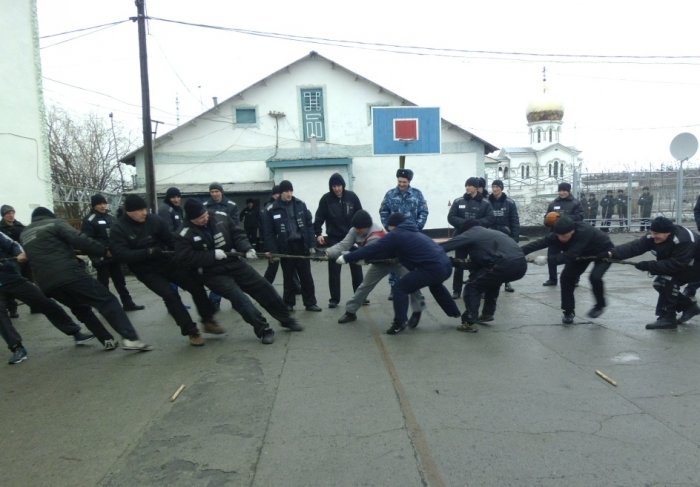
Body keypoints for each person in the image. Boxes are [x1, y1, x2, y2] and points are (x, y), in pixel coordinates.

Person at [20, 207, 152, 351]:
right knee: (107, 301)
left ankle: (106, 339)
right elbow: (79, 239)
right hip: (70, 274)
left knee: (80, 308)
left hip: (46, 284)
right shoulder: (55, 223)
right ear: (49, 216)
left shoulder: (24, 234)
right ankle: (130, 338)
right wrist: (104, 251)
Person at [174, 199, 303, 343]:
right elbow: (184, 258)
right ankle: (263, 329)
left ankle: (286, 319)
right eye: (200, 219)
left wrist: (246, 248)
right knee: (239, 298)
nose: (205, 219)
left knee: (263, 286)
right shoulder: (183, 233)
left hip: (234, 263)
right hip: (212, 273)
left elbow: (237, 234)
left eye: (205, 215)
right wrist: (211, 255)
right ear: (191, 220)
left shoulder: (220, 216)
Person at [110, 194, 218, 347]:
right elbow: (120, 254)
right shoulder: (119, 228)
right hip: (146, 271)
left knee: (195, 284)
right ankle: (191, 330)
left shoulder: (154, 220)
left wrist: (186, 250)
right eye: (139, 210)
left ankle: (208, 320)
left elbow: (170, 239)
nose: (144, 213)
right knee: (170, 295)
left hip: (168, 262)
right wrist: (147, 253)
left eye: (144, 208)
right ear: (129, 211)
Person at [338, 212, 461, 335]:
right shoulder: (414, 232)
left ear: (392, 226)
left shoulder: (396, 235)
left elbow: (372, 248)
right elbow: (390, 251)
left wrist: (347, 258)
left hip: (432, 269)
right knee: (435, 285)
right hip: (446, 265)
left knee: (400, 288)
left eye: (389, 226)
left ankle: (400, 322)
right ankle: (453, 311)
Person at [0, 231, 94, 364]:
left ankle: (75, 332)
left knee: (43, 301)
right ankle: (17, 348)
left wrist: (19, 253)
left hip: (8, 276)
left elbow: (13, 245)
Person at [326, 210, 426, 325]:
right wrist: (329, 252)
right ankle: (350, 312)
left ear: (367, 226)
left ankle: (418, 310)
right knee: (364, 286)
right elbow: (344, 244)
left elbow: (366, 254)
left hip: (397, 260)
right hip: (379, 263)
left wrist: (347, 257)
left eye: (360, 229)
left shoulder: (376, 235)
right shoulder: (355, 229)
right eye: (355, 228)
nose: (357, 231)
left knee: (412, 283)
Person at [605, 217, 700, 330]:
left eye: (656, 234)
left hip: (695, 266)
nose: (653, 236)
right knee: (659, 283)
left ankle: (668, 318)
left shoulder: (684, 240)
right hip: (684, 264)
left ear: (668, 232)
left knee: (667, 280)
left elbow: (676, 264)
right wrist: (611, 253)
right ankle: (689, 307)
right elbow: (635, 247)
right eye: (652, 233)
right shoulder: (654, 235)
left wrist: (648, 265)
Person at [440, 219, 527, 332]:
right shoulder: (491, 234)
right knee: (492, 282)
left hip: (503, 265)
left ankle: (470, 322)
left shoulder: (472, 233)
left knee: (472, 287)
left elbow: (447, 245)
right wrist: (451, 261)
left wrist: (427, 252)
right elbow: (476, 264)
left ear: (465, 231)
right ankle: (487, 313)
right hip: (520, 265)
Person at [523, 216, 614, 323]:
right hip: (581, 254)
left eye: (564, 236)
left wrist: (548, 259)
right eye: (559, 235)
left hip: (603, 252)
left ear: (572, 231)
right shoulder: (558, 234)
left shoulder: (584, 231)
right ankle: (568, 311)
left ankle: (600, 305)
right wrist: (518, 252)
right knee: (566, 278)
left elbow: (570, 255)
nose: (561, 238)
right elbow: (539, 243)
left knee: (595, 277)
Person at [263, 180, 321, 312]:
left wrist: (312, 244)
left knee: (306, 275)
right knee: (288, 276)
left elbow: (309, 225)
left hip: (301, 244)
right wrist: (274, 251)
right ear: (280, 193)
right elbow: (269, 232)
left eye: (290, 191)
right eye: (286, 192)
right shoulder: (272, 209)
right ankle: (288, 303)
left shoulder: (300, 204)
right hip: (286, 246)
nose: (289, 194)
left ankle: (310, 303)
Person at [82, 194, 144, 312]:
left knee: (120, 281)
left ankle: (128, 303)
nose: (103, 206)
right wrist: (96, 255)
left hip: (114, 255)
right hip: (101, 256)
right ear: (94, 205)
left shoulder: (111, 218)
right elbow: (87, 240)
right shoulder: (89, 220)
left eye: (104, 203)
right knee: (103, 283)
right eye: (100, 204)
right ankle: (106, 306)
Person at [314, 173, 364, 308]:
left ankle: (360, 296)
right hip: (334, 238)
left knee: (357, 267)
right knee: (334, 270)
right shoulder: (326, 199)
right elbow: (319, 217)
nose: (337, 188)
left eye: (339, 185)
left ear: (343, 185)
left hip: (352, 236)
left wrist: (362, 234)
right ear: (331, 187)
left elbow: (360, 215)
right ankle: (334, 299)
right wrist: (318, 233)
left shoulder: (352, 197)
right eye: (334, 186)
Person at [379, 168, 429, 300]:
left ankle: (415, 289)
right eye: (400, 181)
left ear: (409, 181)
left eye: (404, 182)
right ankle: (394, 289)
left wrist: (417, 228)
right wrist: (389, 229)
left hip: (412, 236)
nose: (401, 184)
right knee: (395, 261)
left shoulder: (417, 194)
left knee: (414, 262)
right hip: (395, 236)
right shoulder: (390, 194)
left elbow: (423, 212)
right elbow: (384, 212)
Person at [448, 177, 494, 299]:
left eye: (470, 185)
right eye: (466, 185)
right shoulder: (458, 201)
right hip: (461, 237)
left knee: (479, 264)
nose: (467, 187)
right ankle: (456, 290)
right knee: (459, 264)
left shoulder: (485, 203)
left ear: (476, 188)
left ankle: (479, 289)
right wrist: (465, 223)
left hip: (477, 240)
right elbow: (451, 217)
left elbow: (490, 218)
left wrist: (475, 224)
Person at [203, 183, 240, 309]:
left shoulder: (231, 206)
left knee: (233, 273)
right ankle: (214, 300)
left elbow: (235, 226)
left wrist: (236, 245)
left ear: (221, 192)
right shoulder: (205, 206)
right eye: (212, 192)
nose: (214, 194)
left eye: (216, 191)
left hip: (229, 245)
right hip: (213, 246)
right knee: (217, 274)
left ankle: (237, 300)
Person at [542, 182, 584, 286]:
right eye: (560, 191)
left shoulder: (575, 203)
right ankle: (552, 279)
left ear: (568, 191)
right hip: (555, 234)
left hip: (570, 235)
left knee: (572, 258)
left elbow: (580, 217)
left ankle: (575, 279)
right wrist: (547, 221)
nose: (562, 193)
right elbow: (546, 218)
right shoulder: (553, 204)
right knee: (551, 256)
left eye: (564, 190)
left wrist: (564, 218)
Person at [488, 179, 520, 293]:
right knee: (490, 260)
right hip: (491, 235)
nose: (495, 189)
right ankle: (489, 284)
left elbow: (515, 221)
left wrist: (515, 237)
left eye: (497, 187)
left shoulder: (509, 202)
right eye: (493, 187)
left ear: (501, 188)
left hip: (505, 235)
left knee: (506, 260)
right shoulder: (487, 201)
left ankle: (507, 282)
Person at [0, 204, 31, 317]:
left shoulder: (19, 226)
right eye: (8, 213)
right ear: (3, 215)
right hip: (10, 260)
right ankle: (13, 309)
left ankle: (35, 306)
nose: (11, 215)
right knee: (14, 283)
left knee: (30, 281)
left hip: (24, 256)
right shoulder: (1, 229)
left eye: (12, 213)